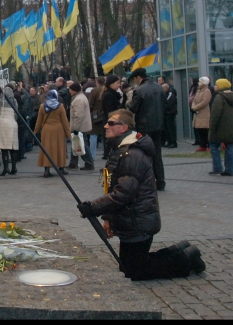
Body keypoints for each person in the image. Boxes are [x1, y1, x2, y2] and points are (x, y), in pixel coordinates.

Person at [77, 109, 205, 280]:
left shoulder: (132, 155)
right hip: (129, 219)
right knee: (131, 266)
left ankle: (187, 260)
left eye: (111, 123)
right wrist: (107, 217)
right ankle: (182, 250)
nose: (106, 126)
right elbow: (109, 184)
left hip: (138, 221)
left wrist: (93, 208)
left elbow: (123, 193)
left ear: (124, 127)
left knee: (134, 271)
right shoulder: (119, 149)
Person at [127, 67, 166, 191]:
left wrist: (128, 103)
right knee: (157, 155)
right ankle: (160, 181)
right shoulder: (159, 88)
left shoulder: (139, 90)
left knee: (144, 155)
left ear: (138, 77)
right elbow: (164, 105)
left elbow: (133, 108)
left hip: (144, 127)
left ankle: (147, 181)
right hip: (159, 125)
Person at [34, 88, 70, 177]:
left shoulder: (43, 106)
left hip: (46, 129)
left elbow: (39, 121)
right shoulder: (60, 106)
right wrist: (68, 134)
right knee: (59, 148)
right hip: (58, 130)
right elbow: (65, 121)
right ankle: (61, 168)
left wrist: (35, 132)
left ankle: (47, 170)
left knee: (47, 149)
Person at [209, 78, 233, 177]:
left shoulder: (219, 98)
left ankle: (217, 167)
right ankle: (230, 169)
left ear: (221, 87)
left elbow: (215, 114)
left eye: (216, 85)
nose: (214, 86)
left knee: (213, 145)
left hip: (220, 127)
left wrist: (212, 127)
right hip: (231, 126)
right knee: (230, 146)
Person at [0, 84, 20, 176]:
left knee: (4, 148)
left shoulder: (1, 101)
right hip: (13, 124)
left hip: (4, 125)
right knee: (13, 148)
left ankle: (6, 168)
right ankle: (14, 167)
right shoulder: (14, 101)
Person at [68, 82, 94, 171]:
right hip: (82, 125)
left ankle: (89, 163)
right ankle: (73, 163)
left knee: (82, 145)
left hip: (80, 126)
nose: (69, 91)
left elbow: (78, 115)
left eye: (70, 89)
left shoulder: (78, 99)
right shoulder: (81, 97)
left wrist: (76, 128)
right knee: (75, 144)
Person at [101, 75, 123, 159]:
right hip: (111, 121)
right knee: (111, 138)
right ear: (111, 84)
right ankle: (108, 154)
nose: (119, 85)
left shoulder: (113, 94)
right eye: (117, 83)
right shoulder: (109, 95)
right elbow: (110, 110)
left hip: (112, 120)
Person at [191, 77, 212, 152]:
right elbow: (194, 99)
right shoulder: (198, 90)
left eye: (200, 81)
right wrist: (193, 106)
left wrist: (196, 107)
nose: (198, 83)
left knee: (205, 130)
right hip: (197, 113)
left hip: (204, 113)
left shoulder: (207, 90)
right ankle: (202, 145)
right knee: (199, 130)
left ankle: (208, 145)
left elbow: (205, 102)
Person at [87, 76, 106, 159]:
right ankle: (106, 153)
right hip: (106, 114)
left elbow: (90, 103)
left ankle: (92, 155)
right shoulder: (106, 89)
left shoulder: (94, 90)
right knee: (105, 135)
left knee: (93, 135)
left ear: (97, 82)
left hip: (96, 115)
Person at [163, 81, 178, 148]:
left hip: (170, 113)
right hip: (165, 114)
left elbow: (168, 104)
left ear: (166, 88)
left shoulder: (170, 94)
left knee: (171, 128)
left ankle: (173, 142)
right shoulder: (164, 95)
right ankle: (169, 141)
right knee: (166, 129)